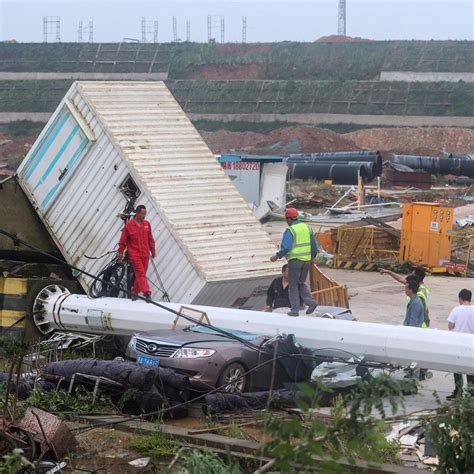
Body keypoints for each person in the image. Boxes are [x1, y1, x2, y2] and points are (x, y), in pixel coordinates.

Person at [270, 208, 318, 317]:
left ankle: (295, 310)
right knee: (300, 283)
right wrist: (313, 257)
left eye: (286, 219)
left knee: (292, 286)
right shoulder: (307, 228)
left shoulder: (290, 230)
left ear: (289, 219)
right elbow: (314, 246)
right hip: (306, 261)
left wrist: (276, 256)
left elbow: (286, 247)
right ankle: (311, 302)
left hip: (295, 262)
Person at [118, 205, 156, 301]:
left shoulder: (147, 224)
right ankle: (147, 293)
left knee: (141, 274)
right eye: (142, 214)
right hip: (135, 255)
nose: (144, 216)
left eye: (145, 214)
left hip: (145, 254)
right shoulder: (129, 226)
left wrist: (153, 250)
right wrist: (121, 253)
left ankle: (134, 292)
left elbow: (150, 238)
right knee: (141, 273)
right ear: (137, 213)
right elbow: (122, 241)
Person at [446, 288, 474, 400]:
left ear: (460, 298)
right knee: (471, 369)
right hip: (471, 343)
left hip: (457, 344)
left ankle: (458, 391)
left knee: (457, 370)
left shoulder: (456, 310)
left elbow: (450, 326)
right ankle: (471, 393)